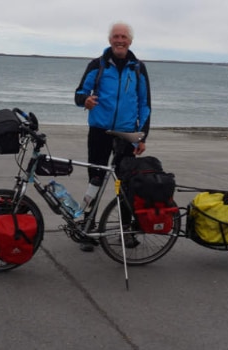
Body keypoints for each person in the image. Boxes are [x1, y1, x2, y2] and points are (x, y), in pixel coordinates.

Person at [74, 21, 152, 252]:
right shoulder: (97, 65)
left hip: (127, 134)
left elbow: (145, 104)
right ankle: (87, 229)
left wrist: (142, 137)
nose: (120, 40)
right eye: (116, 36)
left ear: (130, 41)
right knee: (95, 180)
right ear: (110, 40)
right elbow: (79, 93)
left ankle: (126, 231)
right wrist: (85, 101)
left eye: (124, 37)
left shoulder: (138, 68)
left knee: (127, 182)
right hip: (100, 132)